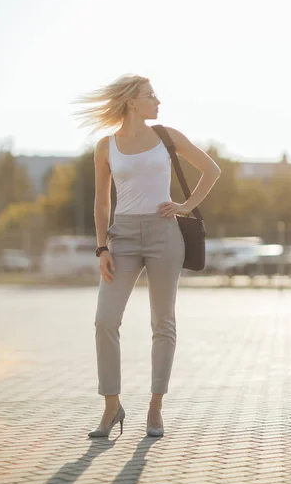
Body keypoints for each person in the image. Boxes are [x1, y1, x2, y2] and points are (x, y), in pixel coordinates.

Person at [72, 74, 221, 438]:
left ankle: (155, 407)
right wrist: (101, 246)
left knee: (163, 322)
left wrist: (186, 205)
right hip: (121, 236)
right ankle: (112, 407)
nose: (158, 101)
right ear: (132, 102)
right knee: (105, 320)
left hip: (164, 234)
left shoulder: (166, 136)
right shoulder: (106, 146)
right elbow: (102, 200)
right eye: (151, 95)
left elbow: (211, 169)